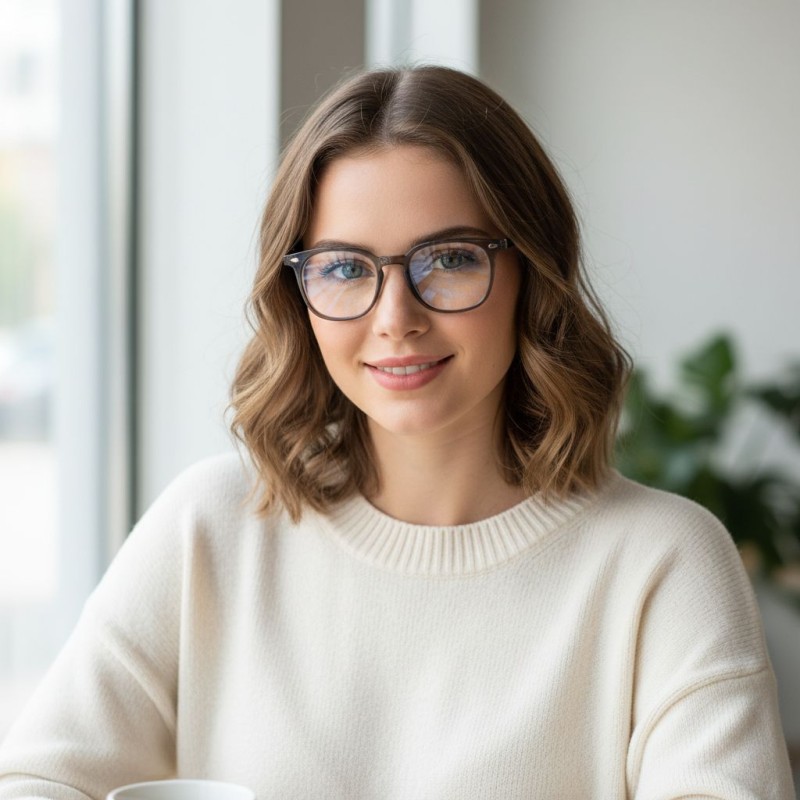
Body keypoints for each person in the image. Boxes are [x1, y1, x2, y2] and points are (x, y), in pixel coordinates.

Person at [0, 65, 794, 800]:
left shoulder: (665, 562)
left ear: (532, 274)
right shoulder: (208, 528)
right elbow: (36, 780)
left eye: (447, 259)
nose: (396, 319)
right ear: (299, 293)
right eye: (345, 268)